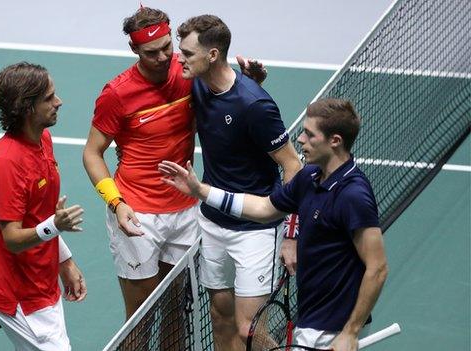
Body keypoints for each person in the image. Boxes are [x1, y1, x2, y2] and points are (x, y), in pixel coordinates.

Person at [82, 6, 269, 321]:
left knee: (176, 314)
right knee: (140, 319)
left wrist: (252, 83)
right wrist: (116, 203)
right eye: (151, 52)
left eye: (167, 47)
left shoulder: (188, 74)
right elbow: (92, 152)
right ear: (134, 49)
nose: (163, 57)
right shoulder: (117, 94)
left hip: (185, 208)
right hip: (137, 212)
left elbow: (229, 102)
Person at [159, 98, 389, 351]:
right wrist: (202, 191)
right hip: (311, 315)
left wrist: (350, 332)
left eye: (309, 134)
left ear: (335, 141)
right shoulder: (309, 176)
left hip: (333, 327)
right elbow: (263, 209)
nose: (300, 139)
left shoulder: (352, 195)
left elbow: (377, 268)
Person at [173, 15, 303, 350]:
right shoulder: (199, 82)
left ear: (212, 55)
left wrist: (291, 236)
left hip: (254, 230)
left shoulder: (254, 105)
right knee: (219, 316)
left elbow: (293, 167)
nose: (179, 59)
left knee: (250, 329)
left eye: (187, 53)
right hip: (213, 222)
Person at [0, 62, 87, 351]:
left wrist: (64, 261)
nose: (59, 102)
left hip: (43, 283)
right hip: (21, 297)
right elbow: (13, 240)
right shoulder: (5, 163)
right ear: (27, 107)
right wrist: (55, 225)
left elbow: (40, 214)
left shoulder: (43, 139)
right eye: (49, 98)